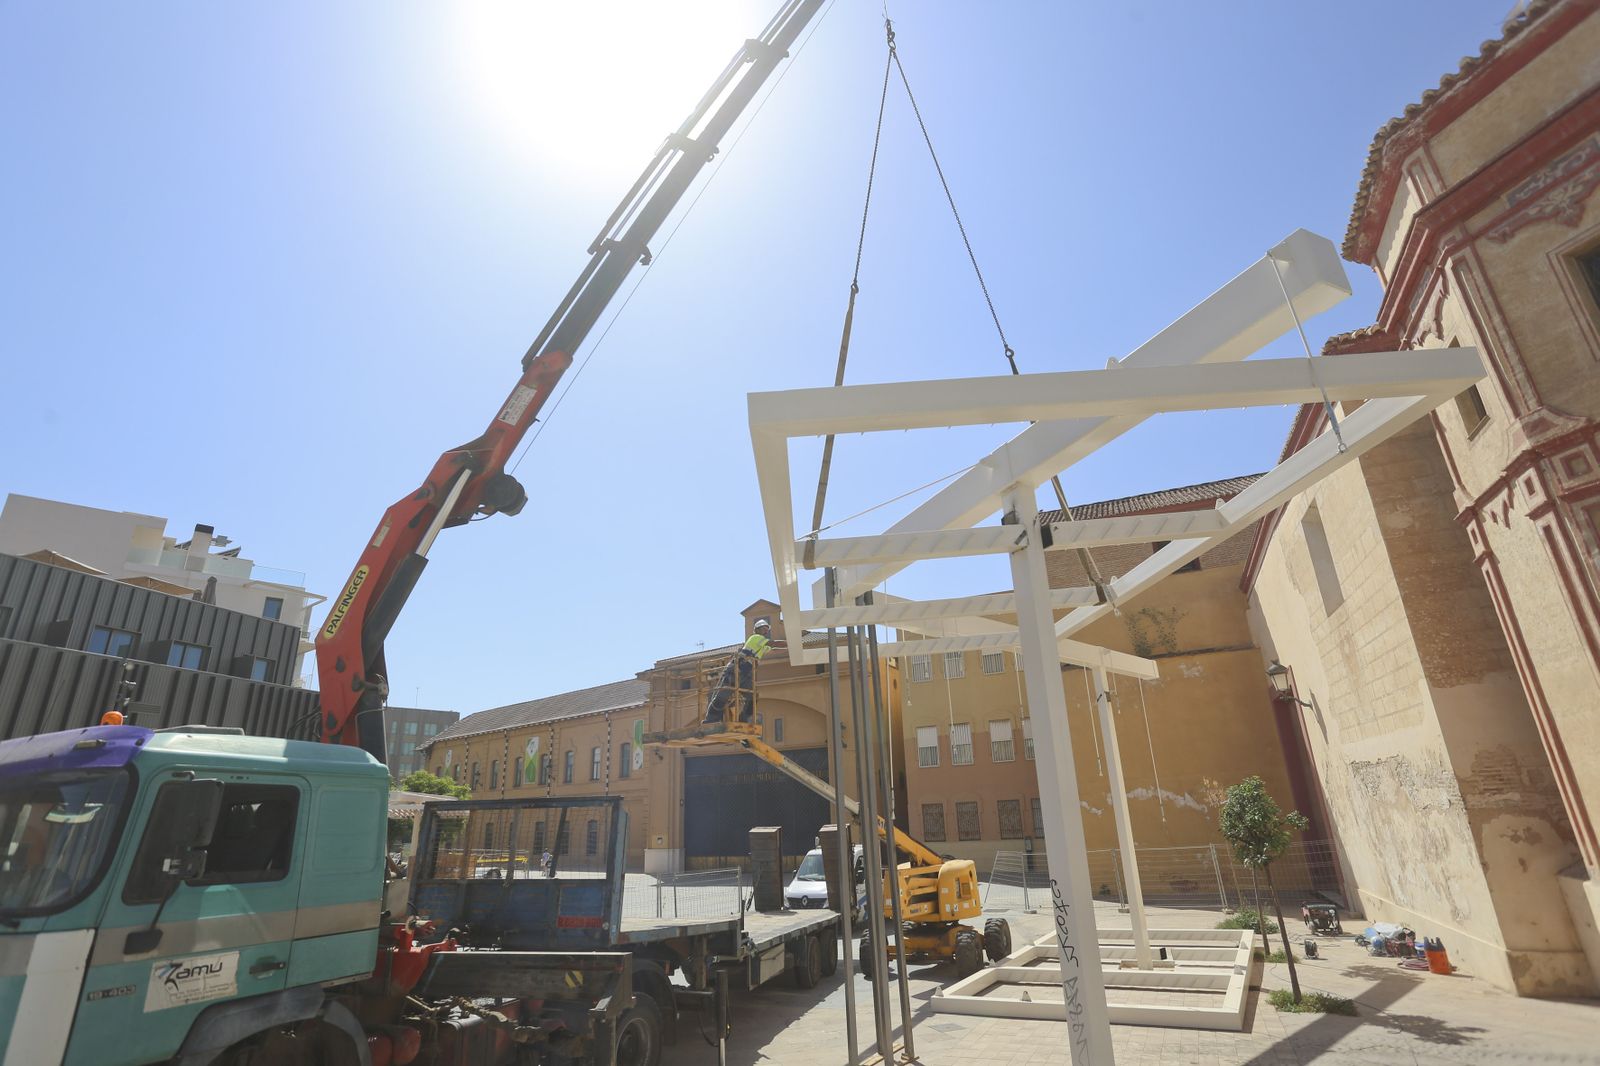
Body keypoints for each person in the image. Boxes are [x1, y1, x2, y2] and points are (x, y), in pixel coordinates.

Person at [703, 618, 785, 725]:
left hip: (745, 673)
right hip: (736, 669)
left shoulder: (761, 645)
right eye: (763, 629)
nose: (766, 631)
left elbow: (773, 648)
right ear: (757, 630)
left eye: (767, 629)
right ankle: (710, 720)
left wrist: (792, 648)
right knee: (722, 695)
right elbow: (774, 644)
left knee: (752, 696)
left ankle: (743, 719)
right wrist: (793, 643)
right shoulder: (755, 638)